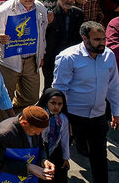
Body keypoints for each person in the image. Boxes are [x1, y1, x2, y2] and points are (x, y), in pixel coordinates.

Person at [51, 20, 119, 183]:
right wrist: (62, 119)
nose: (102, 43)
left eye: (103, 39)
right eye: (97, 40)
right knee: (61, 157)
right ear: (84, 38)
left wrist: (116, 113)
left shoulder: (108, 55)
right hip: (73, 117)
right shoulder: (68, 57)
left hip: (98, 116)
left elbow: (113, 87)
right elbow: (59, 90)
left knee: (99, 159)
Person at [0, 0, 48, 112]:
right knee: (4, 98)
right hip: (9, 62)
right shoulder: (5, 9)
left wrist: (42, 54)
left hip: (31, 61)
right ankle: (3, 125)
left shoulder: (40, 9)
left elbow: (42, 35)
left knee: (32, 97)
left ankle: (16, 116)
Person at [0, 106, 55, 182]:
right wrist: (27, 167)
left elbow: (40, 146)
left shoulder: (35, 128)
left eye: (40, 132)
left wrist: (43, 160)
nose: (38, 134)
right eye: (35, 132)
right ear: (24, 123)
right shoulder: (5, 135)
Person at [43, 0, 83, 90]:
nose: (69, 0)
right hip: (51, 58)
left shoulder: (78, 14)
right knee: (50, 88)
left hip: (71, 59)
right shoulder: (50, 13)